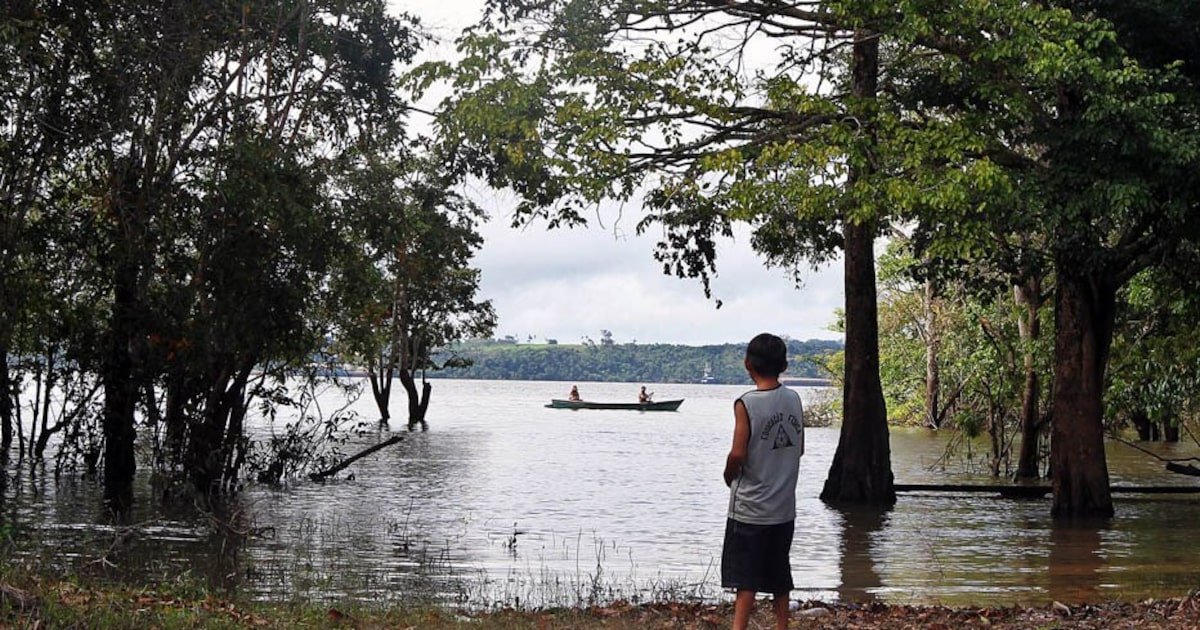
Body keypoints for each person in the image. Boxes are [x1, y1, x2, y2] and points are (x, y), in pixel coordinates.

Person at [721, 332, 805, 630]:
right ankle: (782, 626)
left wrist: (728, 475)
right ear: (783, 365)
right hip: (784, 509)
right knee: (779, 575)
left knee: (747, 579)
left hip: (750, 510)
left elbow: (738, 453)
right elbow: (800, 449)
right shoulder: (794, 399)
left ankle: (739, 627)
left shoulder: (746, 403)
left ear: (748, 364)